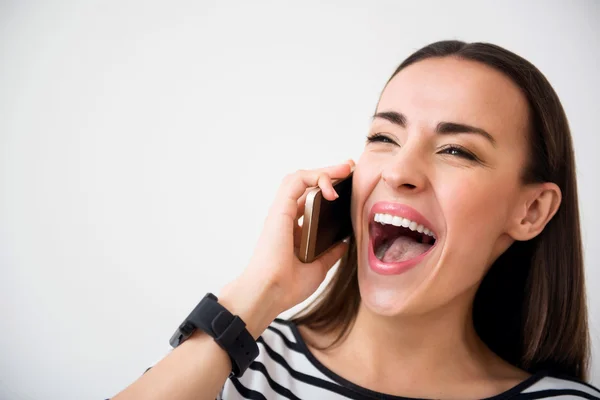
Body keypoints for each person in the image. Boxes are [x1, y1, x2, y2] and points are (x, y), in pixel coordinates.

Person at [109, 40, 600, 399]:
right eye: (384, 138)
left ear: (531, 210)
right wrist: (262, 291)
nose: (400, 170)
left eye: (456, 150)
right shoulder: (233, 370)